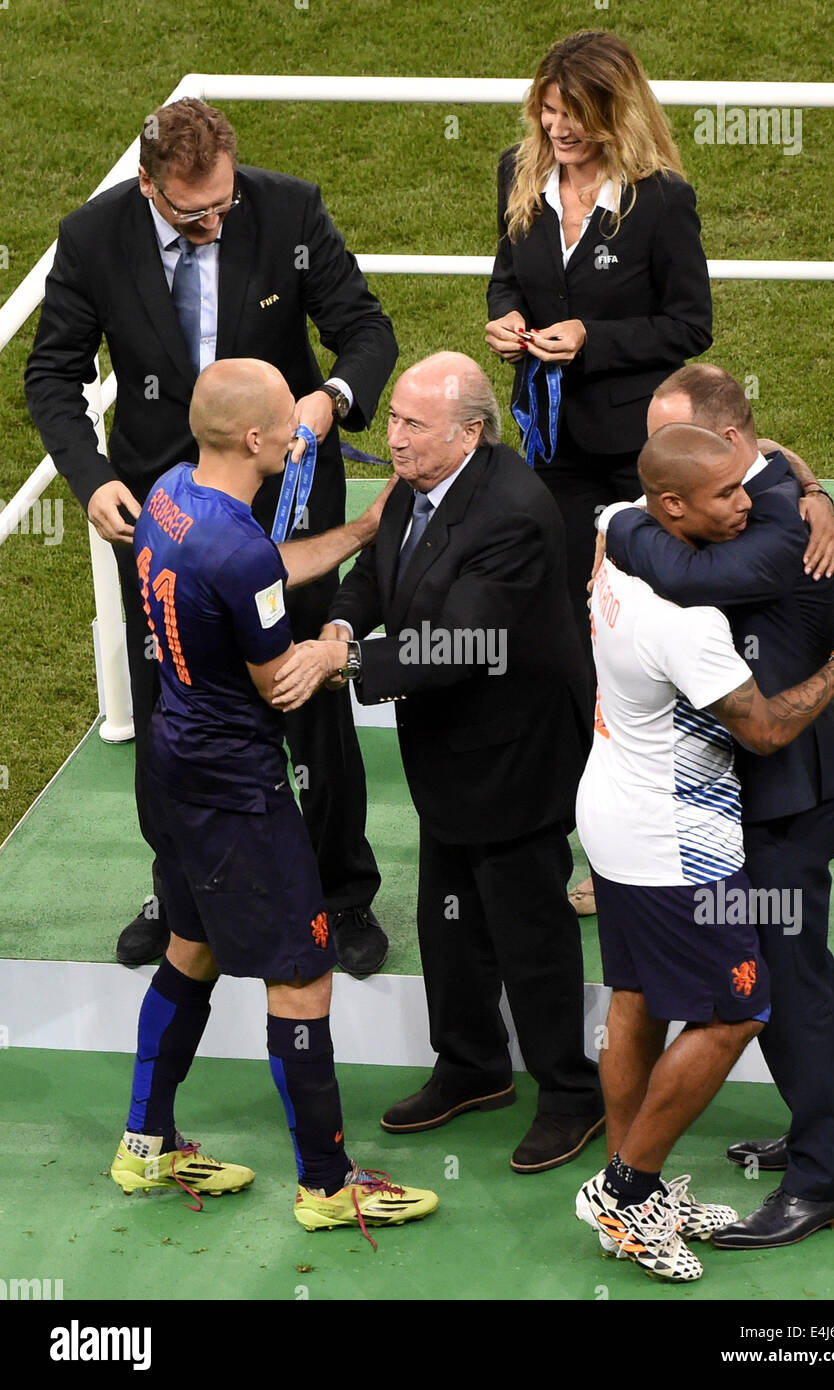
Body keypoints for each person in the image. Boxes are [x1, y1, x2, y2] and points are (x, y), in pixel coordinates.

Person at [25, 97, 396, 976]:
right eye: (195, 212)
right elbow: (54, 374)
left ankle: (343, 895)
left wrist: (332, 399)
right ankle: (181, 891)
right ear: (148, 184)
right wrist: (93, 478)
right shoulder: (91, 238)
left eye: (224, 202)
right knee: (170, 706)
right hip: (160, 521)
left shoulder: (289, 208)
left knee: (307, 696)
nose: (216, 220)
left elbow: (365, 332)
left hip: (287, 501)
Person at [110, 357, 436, 1243]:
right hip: (236, 789)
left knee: (191, 944)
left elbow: (255, 573)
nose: (301, 430)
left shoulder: (171, 491)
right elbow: (275, 676)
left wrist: (359, 534)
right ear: (256, 439)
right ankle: (328, 1185)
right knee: (301, 973)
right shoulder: (238, 545)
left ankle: (146, 1141)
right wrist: (329, 661)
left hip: (173, 758)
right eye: (289, 421)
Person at [273, 352, 604, 1173]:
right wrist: (345, 627)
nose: (394, 438)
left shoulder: (514, 514)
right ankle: (471, 1065)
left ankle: (570, 1091)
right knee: (448, 915)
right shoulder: (416, 487)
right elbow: (376, 578)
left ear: (471, 433)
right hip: (452, 751)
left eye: (412, 425)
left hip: (515, 753)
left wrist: (342, 667)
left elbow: (460, 646)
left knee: (528, 927)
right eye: (391, 420)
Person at [573, 422, 834, 1281]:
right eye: (725, 493)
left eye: (746, 477)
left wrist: (806, 486)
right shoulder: (681, 600)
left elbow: (667, 513)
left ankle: (830, 1163)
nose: (747, 502)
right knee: (761, 991)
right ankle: (638, 1186)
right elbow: (769, 725)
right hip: (690, 831)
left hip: (694, 815)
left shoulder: (642, 538)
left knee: (736, 985)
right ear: (673, 503)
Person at [485, 28, 712, 918]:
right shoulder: (518, 170)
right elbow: (508, 275)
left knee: (631, 650)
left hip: (631, 460)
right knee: (559, 648)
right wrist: (507, 319)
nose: (558, 129)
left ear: (618, 113)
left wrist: (592, 342)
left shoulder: (661, 201)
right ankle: (570, 836)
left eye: (576, 116)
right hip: (546, 454)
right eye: (549, 110)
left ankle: (646, 844)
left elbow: (688, 325)